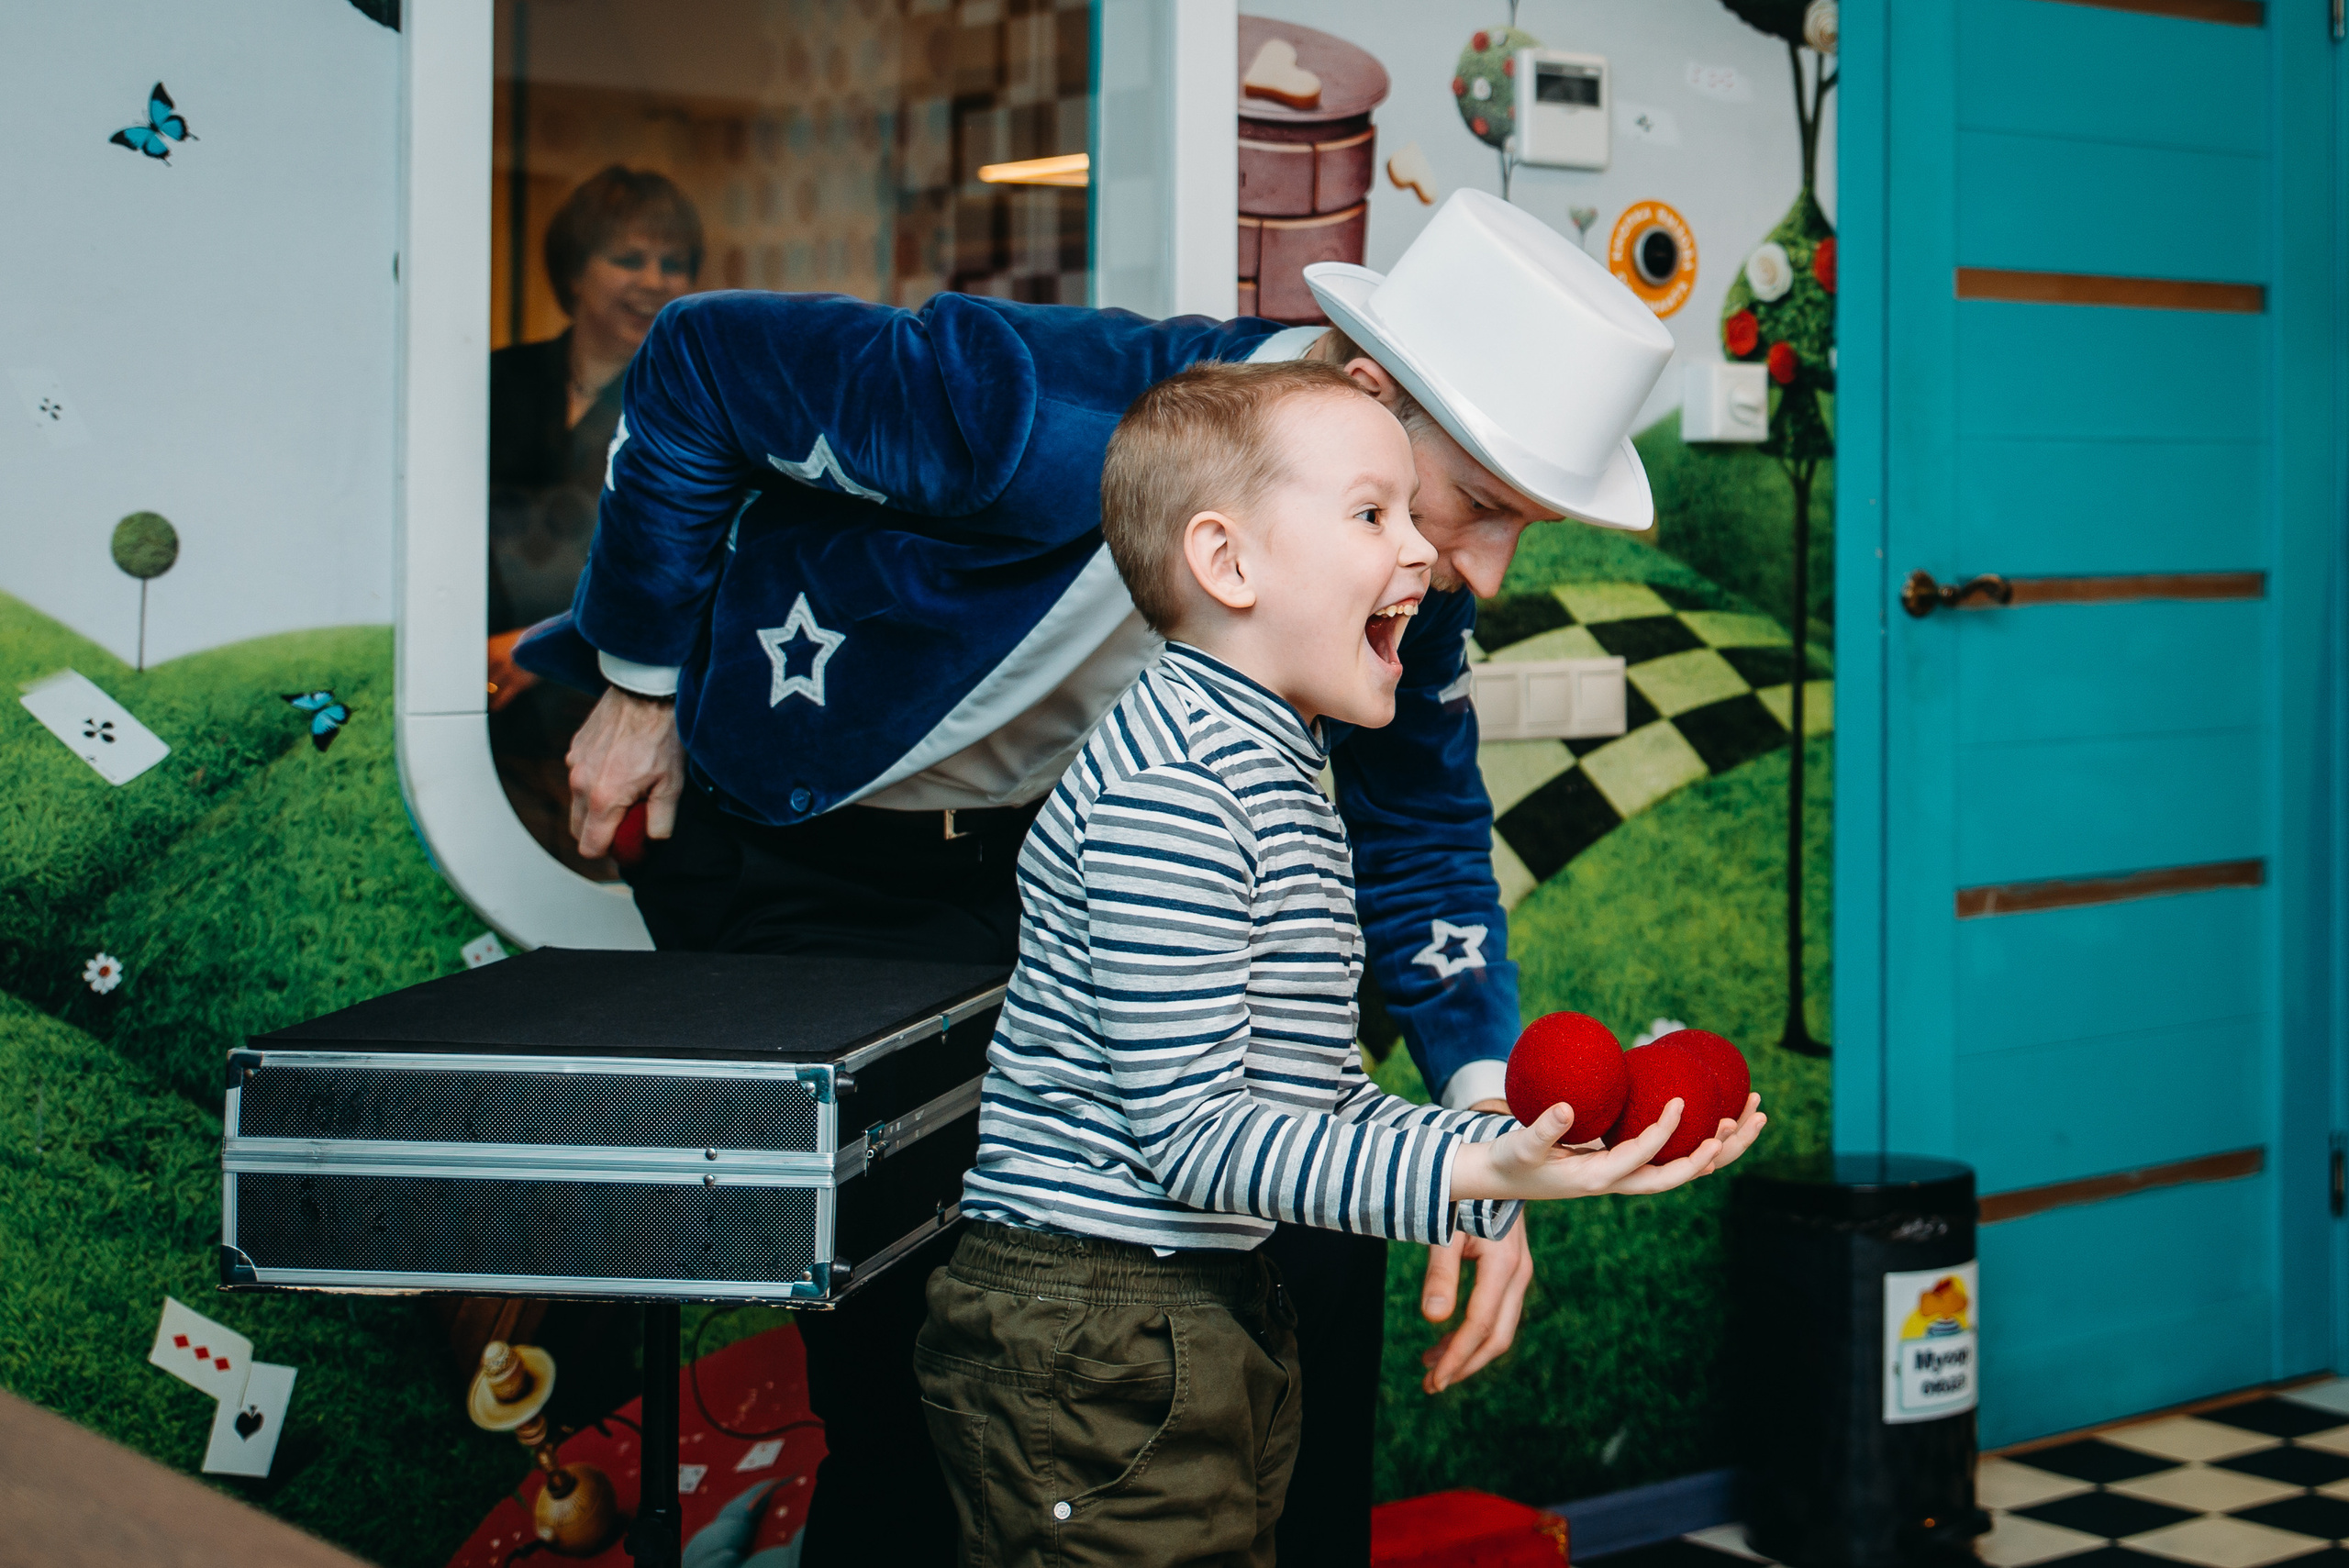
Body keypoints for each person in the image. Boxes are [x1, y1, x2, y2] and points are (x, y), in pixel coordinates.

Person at [518, 188, 1682, 1565]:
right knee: (917, 1353)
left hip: (1035, 858)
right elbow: (702, 360)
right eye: (1478, 506)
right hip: (806, 847)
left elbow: (1421, 829)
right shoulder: (1034, 408)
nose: (1479, 570)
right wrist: (639, 680)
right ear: (1369, 399)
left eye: (1519, 526)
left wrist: (1484, 1121)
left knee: (1307, 1259)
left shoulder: (1393, 569)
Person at [915, 358, 1766, 1566]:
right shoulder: (1175, 794)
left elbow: (1315, 1103)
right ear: (1227, 564)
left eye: (1410, 510)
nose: (1423, 553)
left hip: (1189, 1306)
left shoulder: (1274, 769)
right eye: (1374, 514)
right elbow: (1199, 1139)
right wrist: (1477, 1164)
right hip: (1098, 1329)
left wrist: (1524, 1160)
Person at [486, 165, 701, 877]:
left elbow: (690, 571)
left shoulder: (690, 411)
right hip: (482, 729)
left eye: (674, 263)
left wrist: (539, 640)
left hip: (614, 724)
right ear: (574, 272)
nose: (655, 281)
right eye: (629, 258)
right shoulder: (496, 382)